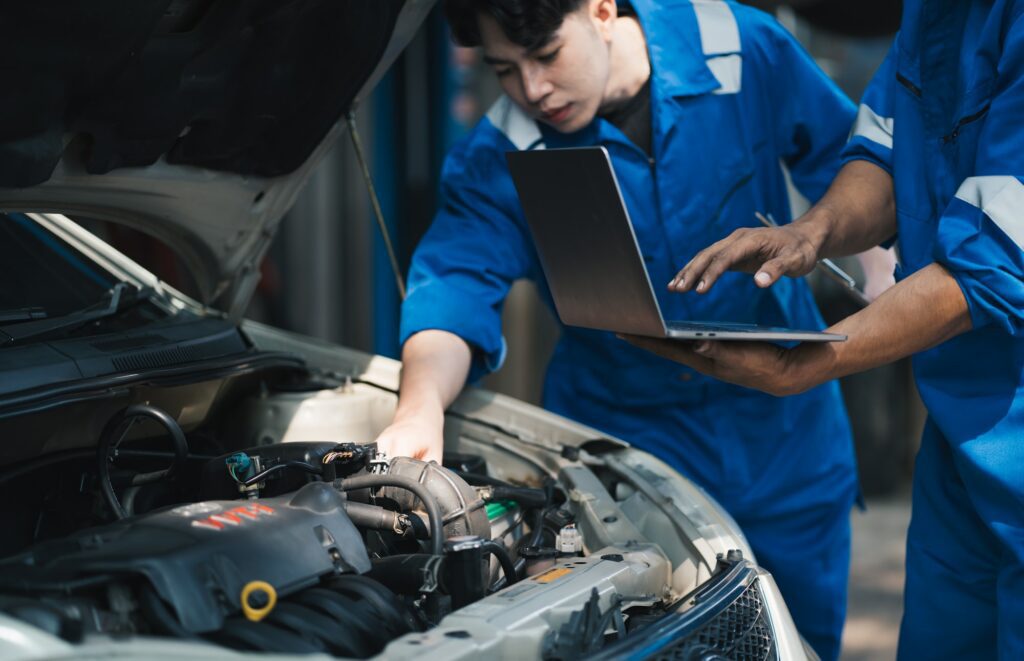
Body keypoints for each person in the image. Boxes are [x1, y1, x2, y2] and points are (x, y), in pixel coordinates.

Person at [377, 1, 858, 656]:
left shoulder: (736, 49)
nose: (533, 89)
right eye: (504, 70)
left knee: (797, 642)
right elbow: (454, 284)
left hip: (785, 443)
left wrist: (872, 276)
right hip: (626, 465)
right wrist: (420, 406)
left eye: (546, 54)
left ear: (602, 8)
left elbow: (857, 165)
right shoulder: (503, 150)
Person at [625, 0, 1024, 657]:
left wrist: (813, 362)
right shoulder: (932, 16)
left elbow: (990, 265)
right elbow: (889, 155)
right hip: (961, 438)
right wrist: (812, 231)